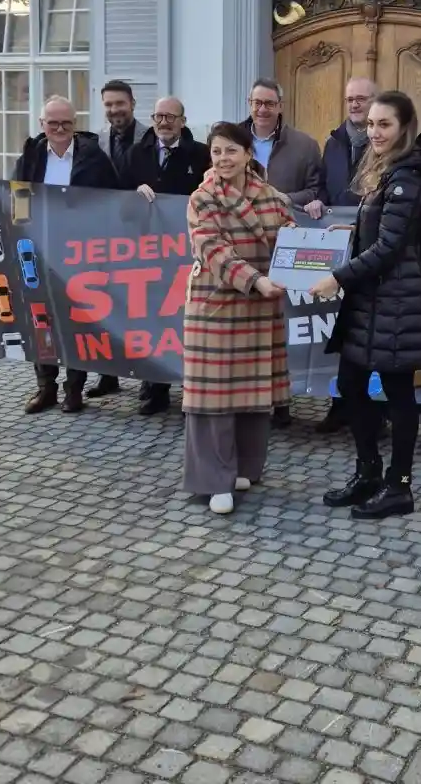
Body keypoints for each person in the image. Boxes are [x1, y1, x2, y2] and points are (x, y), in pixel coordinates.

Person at [310, 91, 421, 520]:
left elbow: (390, 248)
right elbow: (382, 232)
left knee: (399, 394)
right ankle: (368, 471)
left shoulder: (409, 179)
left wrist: (337, 277)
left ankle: (399, 486)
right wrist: (353, 233)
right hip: (371, 298)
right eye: (370, 124)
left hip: (397, 301)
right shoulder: (388, 171)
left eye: (384, 124)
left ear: (404, 128)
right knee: (350, 385)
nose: (374, 132)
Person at [0, 96, 118, 414]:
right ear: (42, 125)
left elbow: (114, 200)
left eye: (66, 123)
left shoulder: (94, 157)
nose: (60, 129)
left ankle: (74, 390)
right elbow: (14, 196)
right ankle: (45, 387)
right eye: (53, 123)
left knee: (79, 321)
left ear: (75, 124)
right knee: (41, 320)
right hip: (38, 251)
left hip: (80, 254)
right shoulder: (31, 155)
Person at [182, 121, 294, 515]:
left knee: (253, 393)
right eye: (216, 151)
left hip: (260, 305)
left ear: (249, 154)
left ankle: (245, 467)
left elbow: (290, 241)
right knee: (214, 399)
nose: (223, 158)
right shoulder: (202, 198)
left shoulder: (274, 198)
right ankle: (214, 479)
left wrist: (315, 253)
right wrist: (257, 281)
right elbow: (214, 251)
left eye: (231, 150)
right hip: (216, 306)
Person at [120, 96, 211, 415]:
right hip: (148, 250)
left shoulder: (201, 154)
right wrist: (133, 194)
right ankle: (155, 388)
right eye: (158, 116)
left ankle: (192, 390)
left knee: (188, 320)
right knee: (154, 318)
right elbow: (116, 195)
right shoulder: (136, 153)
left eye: (170, 117)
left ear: (182, 121)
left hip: (188, 251)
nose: (163, 122)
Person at [243, 78, 322, 428]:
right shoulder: (232, 140)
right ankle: (246, 398)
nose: (262, 109)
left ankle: (280, 402)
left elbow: (317, 190)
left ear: (280, 106)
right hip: (244, 246)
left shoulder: (305, 145)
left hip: (284, 246)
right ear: (249, 104)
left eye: (269, 103)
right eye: (257, 102)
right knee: (246, 329)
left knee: (281, 328)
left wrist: (286, 199)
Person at [310, 77, 378, 434]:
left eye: (362, 98)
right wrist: (317, 200)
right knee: (337, 327)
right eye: (350, 98)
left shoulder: (383, 143)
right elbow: (324, 185)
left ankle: (376, 413)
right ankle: (339, 406)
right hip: (336, 244)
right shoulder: (333, 142)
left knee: (368, 329)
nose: (355, 104)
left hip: (371, 245)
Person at [87, 80, 149, 402]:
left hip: (144, 237)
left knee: (143, 309)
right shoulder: (94, 141)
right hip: (106, 236)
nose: (115, 110)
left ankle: (148, 376)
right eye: (109, 105)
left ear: (132, 104)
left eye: (120, 104)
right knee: (108, 306)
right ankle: (107, 374)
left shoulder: (151, 137)